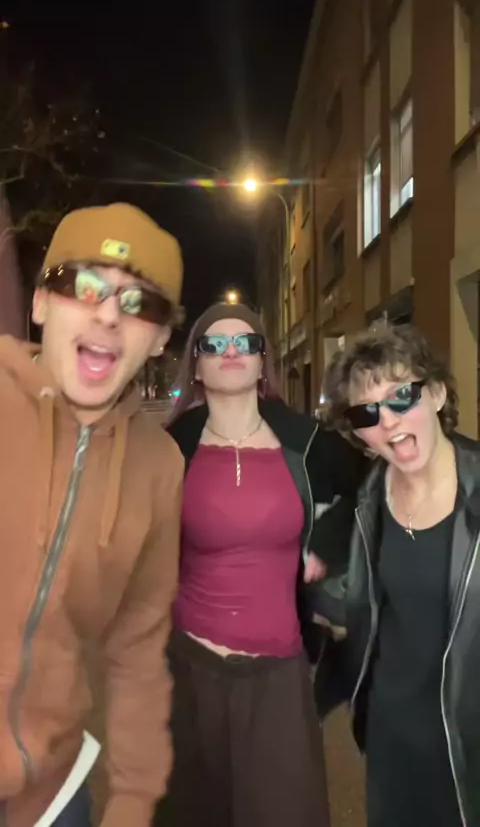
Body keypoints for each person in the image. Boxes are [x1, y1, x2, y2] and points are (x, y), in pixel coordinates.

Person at [0, 202, 184, 827]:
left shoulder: (159, 465)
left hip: (50, 793)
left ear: (159, 339)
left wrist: (133, 800)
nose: (108, 314)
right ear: (40, 303)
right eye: (82, 285)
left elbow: (138, 648)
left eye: (139, 302)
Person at [155, 300, 367, 827]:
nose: (231, 353)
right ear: (197, 364)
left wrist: (328, 541)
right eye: (214, 344)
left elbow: (370, 487)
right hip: (189, 672)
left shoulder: (305, 441)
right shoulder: (171, 447)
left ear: (261, 359)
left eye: (244, 342)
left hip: (278, 672)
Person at [317, 321, 480, 827]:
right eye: (367, 412)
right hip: (390, 743)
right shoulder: (368, 501)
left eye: (401, 397)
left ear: (436, 394)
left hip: (468, 750)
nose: (387, 421)